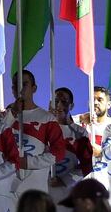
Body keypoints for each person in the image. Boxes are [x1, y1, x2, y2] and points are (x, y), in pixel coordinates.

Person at [5, 70, 66, 200]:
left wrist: (27, 162)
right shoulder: (6, 118)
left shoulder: (46, 118)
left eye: (24, 84)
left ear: (34, 88)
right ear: (12, 89)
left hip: (35, 192)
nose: (19, 88)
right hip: (6, 190)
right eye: (16, 84)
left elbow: (59, 153)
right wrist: (12, 113)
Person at [48, 87, 92, 212]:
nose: (59, 105)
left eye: (64, 101)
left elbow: (86, 166)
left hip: (67, 193)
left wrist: (64, 180)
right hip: (45, 190)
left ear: (71, 105)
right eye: (56, 101)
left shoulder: (80, 133)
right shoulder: (44, 129)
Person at [79, 85, 111, 186]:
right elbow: (58, 124)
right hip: (82, 183)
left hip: (107, 185)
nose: (95, 103)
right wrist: (80, 119)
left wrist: (101, 153)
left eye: (100, 100)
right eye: (93, 100)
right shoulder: (79, 122)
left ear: (108, 104)